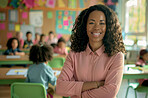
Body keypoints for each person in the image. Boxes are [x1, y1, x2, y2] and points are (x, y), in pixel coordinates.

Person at [56, 4, 125, 98]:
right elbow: (60, 87)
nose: (96, 27)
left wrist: (78, 93)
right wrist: (97, 84)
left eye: (102, 23)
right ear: (85, 26)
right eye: (91, 23)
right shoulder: (73, 54)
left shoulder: (117, 56)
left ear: (108, 27)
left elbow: (110, 92)